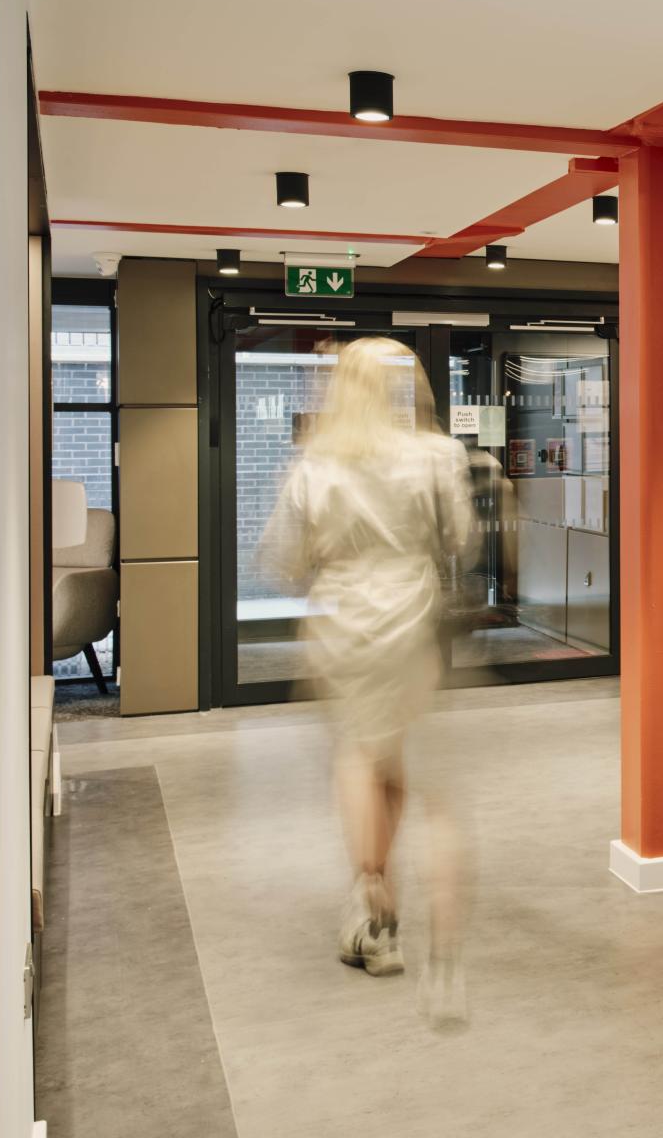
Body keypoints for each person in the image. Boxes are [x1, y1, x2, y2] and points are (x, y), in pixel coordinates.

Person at [262, 336, 476, 1021]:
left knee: (358, 753)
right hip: (410, 618)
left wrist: (331, 551)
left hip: (345, 620)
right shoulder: (437, 454)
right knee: (392, 753)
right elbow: (462, 539)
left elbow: (281, 559)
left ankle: (373, 889)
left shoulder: (318, 461)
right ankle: (377, 902)